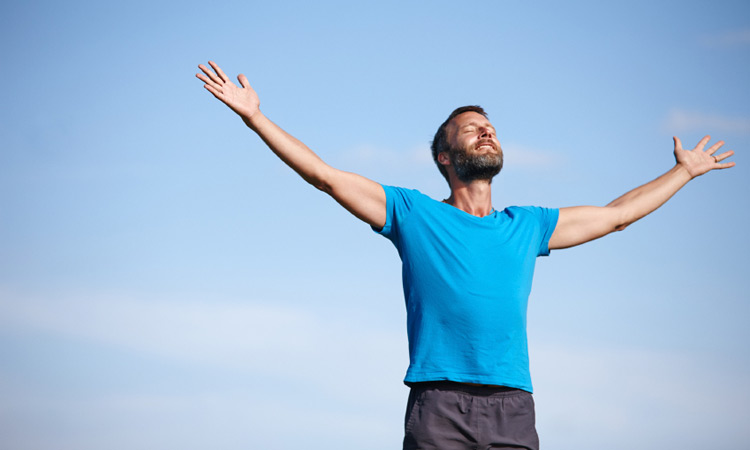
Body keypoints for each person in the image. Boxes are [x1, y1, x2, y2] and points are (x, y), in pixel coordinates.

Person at [195, 61, 735, 450]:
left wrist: (684, 172)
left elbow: (617, 215)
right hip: (439, 406)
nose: (487, 131)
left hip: (513, 406)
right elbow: (325, 176)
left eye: (490, 127)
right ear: (445, 156)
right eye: (472, 129)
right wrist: (256, 118)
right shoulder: (413, 213)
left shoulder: (527, 225)